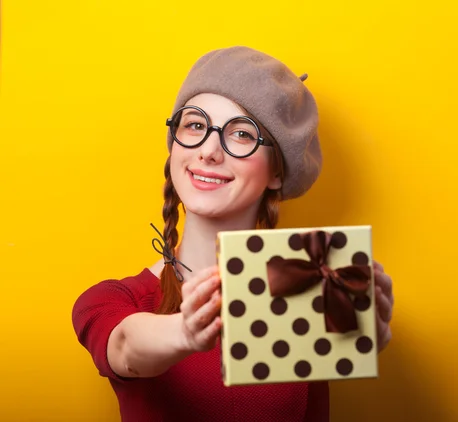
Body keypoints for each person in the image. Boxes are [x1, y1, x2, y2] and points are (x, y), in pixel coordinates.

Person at [72, 46, 394, 422]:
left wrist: (355, 339)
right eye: (194, 125)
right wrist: (187, 333)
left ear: (277, 172)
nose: (208, 151)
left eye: (241, 134)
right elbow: (125, 347)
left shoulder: (309, 292)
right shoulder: (114, 298)